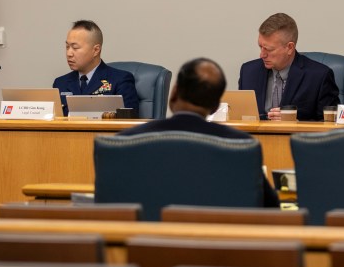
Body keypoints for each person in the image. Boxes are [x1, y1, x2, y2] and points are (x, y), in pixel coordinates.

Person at [117, 57, 280, 207]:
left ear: (174, 93)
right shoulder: (242, 146)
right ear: (216, 106)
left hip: (147, 236)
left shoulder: (126, 141)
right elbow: (270, 207)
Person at [238, 13, 339, 121]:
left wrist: (297, 124)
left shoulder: (319, 76)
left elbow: (330, 124)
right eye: (260, 47)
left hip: (296, 137)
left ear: (290, 48)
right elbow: (240, 117)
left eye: (269, 49)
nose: (262, 55)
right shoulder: (248, 72)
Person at [53, 20, 138, 117]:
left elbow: (129, 122)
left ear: (96, 50)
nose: (69, 53)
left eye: (75, 48)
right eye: (67, 47)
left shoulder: (120, 80)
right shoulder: (60, 83)